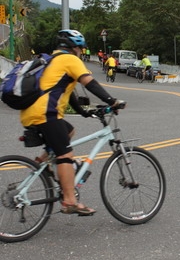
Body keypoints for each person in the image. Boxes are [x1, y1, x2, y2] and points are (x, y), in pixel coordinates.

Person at [21, 29, 122, 216]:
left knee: (68, 132)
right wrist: (112, 101)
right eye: (81, 48)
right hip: (46, 114)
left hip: (31, 113)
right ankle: (69, 201)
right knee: (65, 155)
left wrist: (83, 112)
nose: (81, 52)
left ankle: (41, 163)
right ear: (74, 47)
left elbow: (69, 92)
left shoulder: (52, 60)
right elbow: (89, 83)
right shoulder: (70, 60)